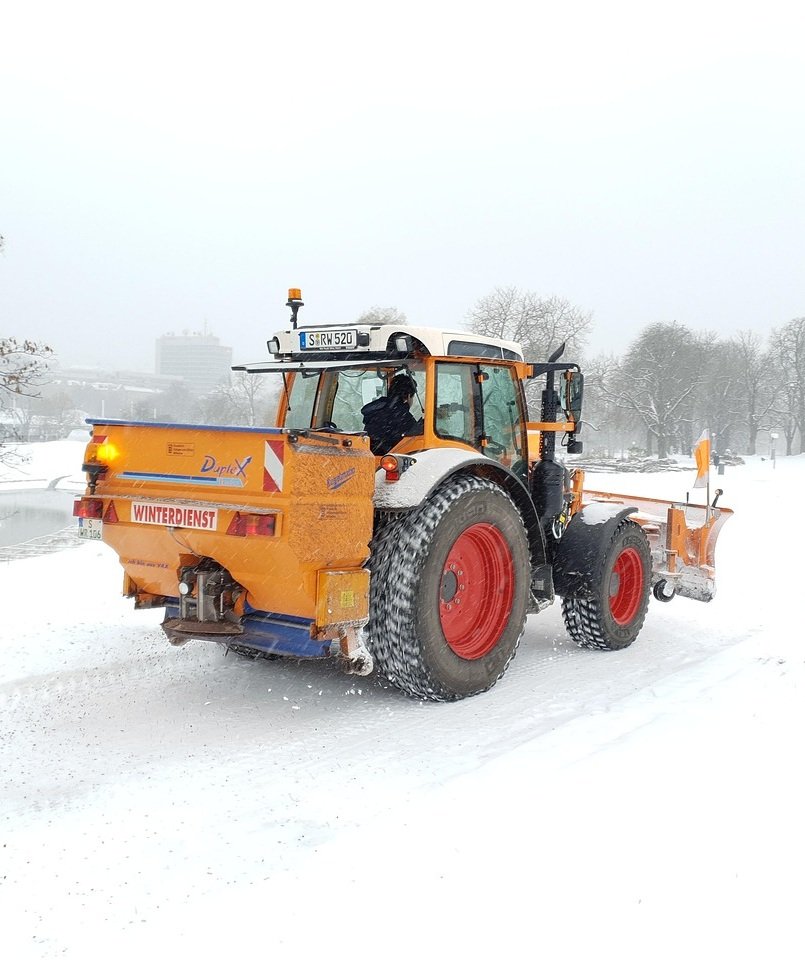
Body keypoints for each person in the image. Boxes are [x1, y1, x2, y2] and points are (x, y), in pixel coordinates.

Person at [361, 373, 423, 455]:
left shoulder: (375, 410)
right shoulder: (403, 417)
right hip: (389, 460)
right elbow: (414, 441)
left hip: (369, 457)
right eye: (412, 397)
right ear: (408, 396)